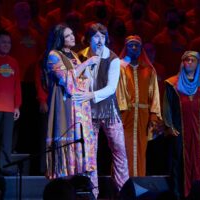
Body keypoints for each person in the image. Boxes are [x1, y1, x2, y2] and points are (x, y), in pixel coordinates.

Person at [44, 24, 98, 198]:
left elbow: (80, 79)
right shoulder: (54, 56)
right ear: (60, 39)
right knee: (67, 137)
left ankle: (78, 177)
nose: (73, 38)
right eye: (68, 36)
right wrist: (88, 62)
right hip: (65, 105)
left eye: (73, 34)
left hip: (79, 106)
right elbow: (67, 79)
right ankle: (63, 182)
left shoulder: (74, 55)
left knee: (80, 139)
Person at [76, 23, 129, 193]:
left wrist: (91, 95)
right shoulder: (81, 56)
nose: (100, 41)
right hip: (89, 112)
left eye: (103, 37)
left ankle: (124, 192)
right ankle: (92, 193)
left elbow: (111, 88)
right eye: (96, 37)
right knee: (90, 153)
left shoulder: (112, 58)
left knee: (119, 149)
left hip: (108, 111)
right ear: (89, 39)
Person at [163, 51, 200, 199]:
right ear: (182, 63)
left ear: (198, 63)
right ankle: (179, 195)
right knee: (179, 163)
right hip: (180, 132)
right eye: (187, 60)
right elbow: (167, 106)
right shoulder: (172, 84)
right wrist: (169, 126)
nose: (190, 63)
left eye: (193, 60)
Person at [116, 35, 162, 177]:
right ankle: (122, 186)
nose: (134, 48)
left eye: (137, 45)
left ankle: (139, 184)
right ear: (126, 47)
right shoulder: (119, 68)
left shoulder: (149, 70)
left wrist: (154, 115)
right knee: (123, 150)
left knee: (141, 151)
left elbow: (154, 94)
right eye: (131, 45)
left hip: (143, 116)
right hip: (124, 115)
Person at [0, 29, 21, 175]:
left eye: (9, 42)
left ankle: (4, 167)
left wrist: (17, 106)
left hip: (9, 108)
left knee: (6, 141)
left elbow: (17, 86)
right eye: (3, 42)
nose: (6, 45)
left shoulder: (13, 62)